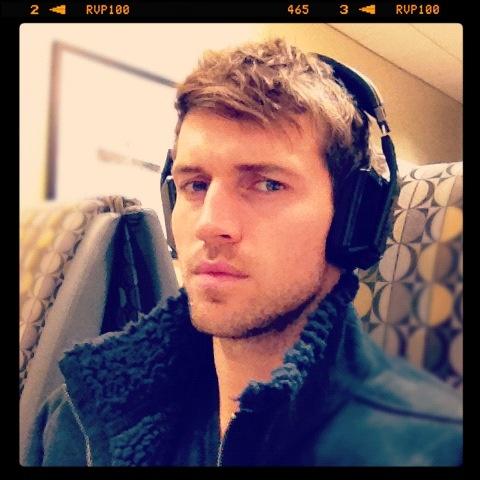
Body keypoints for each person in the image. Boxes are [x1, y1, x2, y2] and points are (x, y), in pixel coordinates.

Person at [23, 38, 462, 466]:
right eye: (195, 185)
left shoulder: (426, 448)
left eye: (268, 184)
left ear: (352, 219)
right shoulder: (76, 420)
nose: (210, 224)